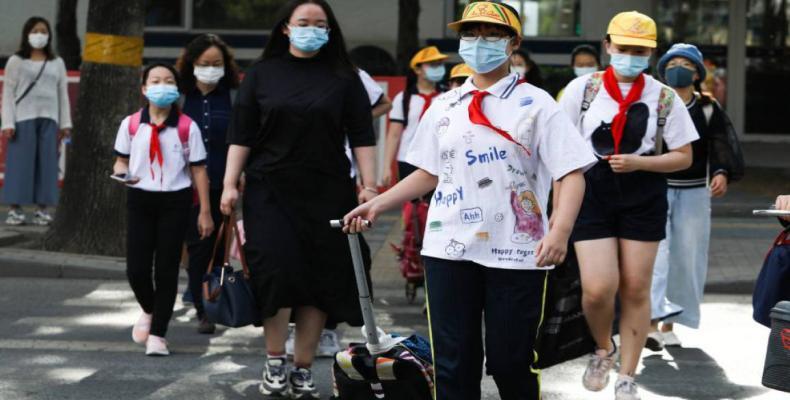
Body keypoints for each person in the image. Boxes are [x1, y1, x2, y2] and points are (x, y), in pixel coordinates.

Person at [343, 2, 596, 399]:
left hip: (516, 250)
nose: (479, 43)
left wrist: (560, 231)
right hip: (448, 248)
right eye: (470, 34)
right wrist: (377, 203)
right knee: (453, 359)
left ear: (513, 43)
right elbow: (428, 172)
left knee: (510, 359)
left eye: (491, 34)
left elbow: (571, 171)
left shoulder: (538, 103)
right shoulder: (444, 106)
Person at [219, 1, 378, 397]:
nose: (312, 29)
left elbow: (362, 135)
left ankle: (303, 368)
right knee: (277, 271)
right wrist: (228, 183)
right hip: (269, 190)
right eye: (303, 23)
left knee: (320, 279)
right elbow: (241, 134)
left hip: (329, 191)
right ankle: (275, 359)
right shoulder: (262, 74)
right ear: (287, 29)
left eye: (320, 24)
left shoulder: (344, 77)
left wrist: (370, 186)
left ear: (330, 30)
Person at [558, 11, 698, 400]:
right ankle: (604, 347)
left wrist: (641, 162)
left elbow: (684, 156)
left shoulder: (663, 96)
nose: (630, 57)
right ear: (607, 46)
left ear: (650, 54)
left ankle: (627, 375)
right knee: (598, 289)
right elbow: (560, 153)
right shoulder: (581, 90)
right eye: (623, 48)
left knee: (637, 288)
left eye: (639, 51)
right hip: (591, 191)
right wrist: (557, 216)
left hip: (643, 192)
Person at [285, 67, 392, 358]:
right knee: (296, 255)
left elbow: (384, 103)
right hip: (293, 175)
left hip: (340, 177)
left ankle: (329, 327)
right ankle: (298, 327)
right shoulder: (284, 73)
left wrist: (351, 120)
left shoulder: (350, 74)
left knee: (337, 254)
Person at [113, 63, 214, 356]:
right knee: (136, 269)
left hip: (175, 200)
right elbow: (121, 160)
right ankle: (151, 309)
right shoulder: (131, 124)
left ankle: (158, 333)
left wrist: (205, 210)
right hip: (140, 198)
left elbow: (198, 170)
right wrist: (122, 174)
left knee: (167, 269)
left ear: (177, 89)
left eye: (169, 81)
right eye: (155, 80)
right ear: (144, 88)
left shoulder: (186, 127)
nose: (162, 85)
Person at [647, 43, 743, 349]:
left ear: (698, 73)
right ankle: (648, 323)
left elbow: (719, 145)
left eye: (687, 65)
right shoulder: (654, 103)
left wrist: (721, 172)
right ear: (662, 69)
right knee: (653, 256)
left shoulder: (707, 107)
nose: (679, 69)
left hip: (694, 194)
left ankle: (669, 323)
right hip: (655, 189)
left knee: (686, 258)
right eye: (673, 63)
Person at [175, 33, 240, 335]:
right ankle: (202, 306)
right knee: (197, 245)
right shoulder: (179, 96)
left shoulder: (234, 96)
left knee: (218, 247)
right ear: (192, 65)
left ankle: (210, 295)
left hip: (224, 182)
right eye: (204, 64)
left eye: (217, 64)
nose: (211, 69)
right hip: (183, 185)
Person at [1, 16, 71, 226]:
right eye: (35, 30)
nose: (39, 35)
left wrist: (65, 123)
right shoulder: (16, 61)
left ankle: (43, 209)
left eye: (43, 31)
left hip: (49, 119)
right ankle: (15, 209)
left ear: (49, 35)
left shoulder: (57, 62)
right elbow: (8, 94)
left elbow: (63, 93)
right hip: (23, 119)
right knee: (20, 165)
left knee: (47, 165)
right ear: (27, 34)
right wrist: (8, 123)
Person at [381, 46, 448, 187]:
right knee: (411, 204)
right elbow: (394, 135)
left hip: (440, 157)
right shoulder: (403, 98)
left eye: (440, 64)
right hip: (408, 159)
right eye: (432, 64)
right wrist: (386, 166)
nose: (438, 68)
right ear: (417, 69)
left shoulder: (447, 97)